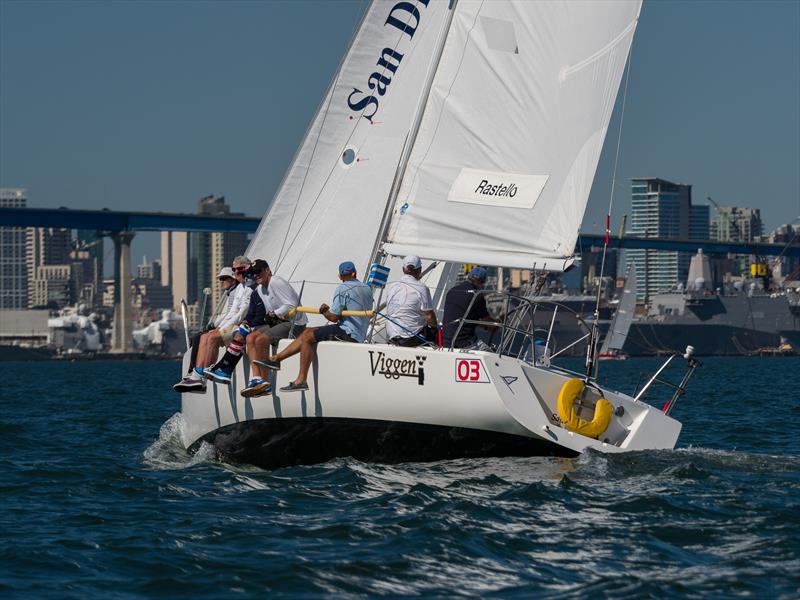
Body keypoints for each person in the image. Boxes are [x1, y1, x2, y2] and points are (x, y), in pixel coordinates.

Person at [257, 260, 373, 393]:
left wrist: (324, 310)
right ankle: (277, 359)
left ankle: (299, 379)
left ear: (340, 276)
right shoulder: (367, 288)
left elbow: (333, 317)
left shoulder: (342, 288)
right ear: (355, 273)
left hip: (348, 332)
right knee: (309, 334)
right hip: (360, 333)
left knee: (307, 335)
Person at [204, 259, 307, 397]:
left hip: (295, 323)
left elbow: (292, 305)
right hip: (279, 322)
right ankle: (256, 378)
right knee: (251, 337)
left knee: (261, 340)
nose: (255, 275)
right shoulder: (259, 289)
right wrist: (247, 324)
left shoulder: (276, 282)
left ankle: (265, 383)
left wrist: (275, 313)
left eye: (258, 271)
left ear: (267, 270)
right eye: (253, 273)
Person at [173, 266, 239, 393]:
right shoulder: (230, 293)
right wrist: (214, 324)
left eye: (225, 278)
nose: (222, 281)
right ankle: (193, 372)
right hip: (228, 324)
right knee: (198, 336)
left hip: (233, 326)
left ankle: (197, 374)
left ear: (233, 279)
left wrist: (216, 326)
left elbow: (235, 313)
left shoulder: (237, 291)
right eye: (221, 279)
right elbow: (229, 313)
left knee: (206, 336)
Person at [384, 255, 438, 346]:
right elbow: (429, 317)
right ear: (420, 269)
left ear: (403, 269)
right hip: (410, 338)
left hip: (392, 334)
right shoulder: (422, 288)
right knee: (437, 333)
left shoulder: (393, 286)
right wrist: (435, 327)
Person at [441, 266, 496, 349]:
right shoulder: (477, 296)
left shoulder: (452, 291)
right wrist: (500, 321)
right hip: (464, 342)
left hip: (446, 340)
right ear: (481, 282)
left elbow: (462, 316)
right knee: (491, 354)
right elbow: (489, 323)